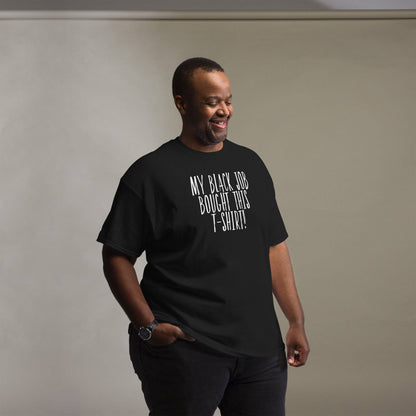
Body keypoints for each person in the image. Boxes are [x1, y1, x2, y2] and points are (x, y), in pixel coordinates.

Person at [97, 57, 309, 416]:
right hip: (186, 350)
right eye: (212, 102)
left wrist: (295, 321)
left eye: (227, 100)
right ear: (182, 103)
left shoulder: (251, 165)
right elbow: (116, 256)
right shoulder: (150, 174)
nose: (223, 110)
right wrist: (148, 327)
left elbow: (274, 246)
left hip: (260, 352)